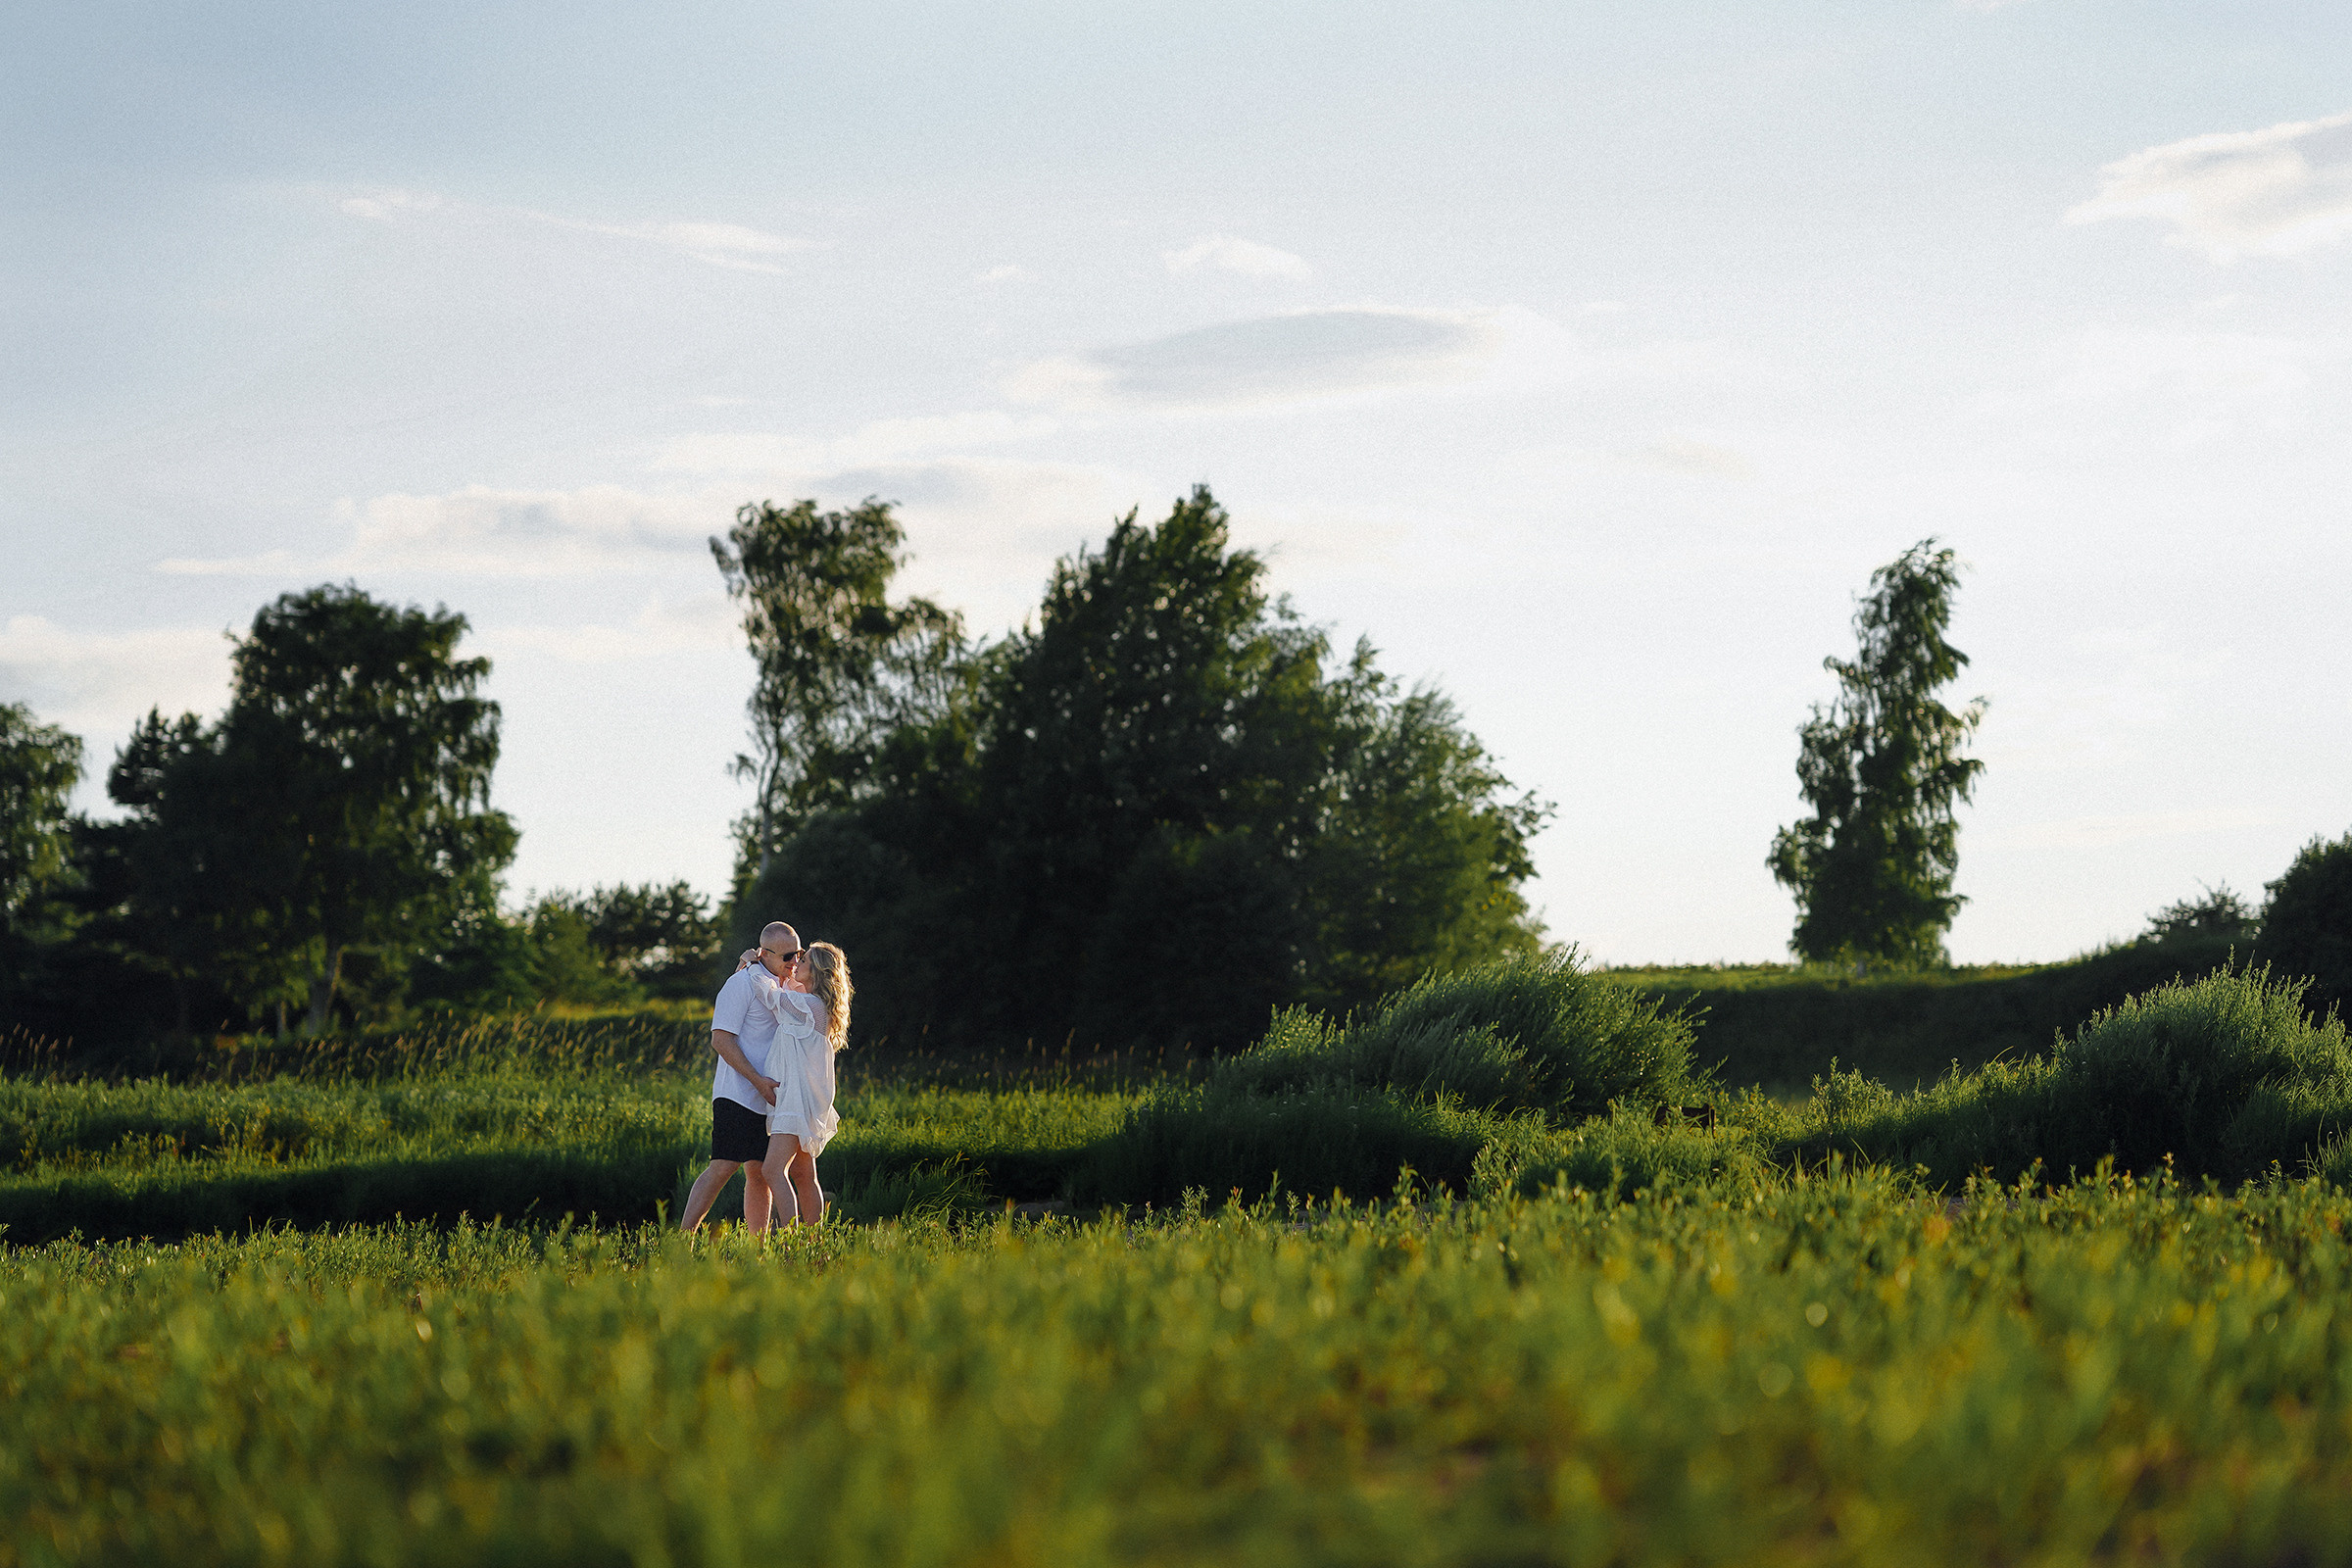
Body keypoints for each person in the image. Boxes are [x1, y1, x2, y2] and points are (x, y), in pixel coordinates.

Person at [677, 921, 803, 1233]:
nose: (795, 962)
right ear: (764, 954)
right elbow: (721, 1040)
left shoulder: (787, 986)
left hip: (770, 1099)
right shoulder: (740, 983)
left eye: (798, 954)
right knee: (722, 1166)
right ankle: (682, 1239)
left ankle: (757, 1249)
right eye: (787, 956)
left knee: (759, 1172)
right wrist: (757, 1081)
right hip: (736, 1092)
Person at [738, 939, 851, 1227]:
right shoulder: (812, 1004)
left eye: (804, 960)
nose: (797, 963)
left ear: (817, 972)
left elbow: (769, 994)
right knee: (804, 1175)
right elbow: (787, 989)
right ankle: (813, 1241)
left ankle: (792, 1240)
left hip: (795, 1101)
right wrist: (785, 974)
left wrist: (754, 964)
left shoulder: (808, 1006)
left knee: (773, 1170)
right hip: (804, 1100)